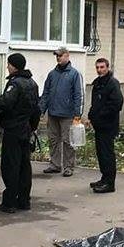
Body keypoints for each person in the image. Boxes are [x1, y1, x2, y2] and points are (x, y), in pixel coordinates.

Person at [0, 53, 40, 213]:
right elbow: (36, 108)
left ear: (13, 66)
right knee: (24, 166)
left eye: (9, 64)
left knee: (10, 165)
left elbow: (7, 102)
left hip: (14, 129)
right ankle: (24, 200)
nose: (7, 67)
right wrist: (32, 126)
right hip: (26, 128)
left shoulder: (15, 83)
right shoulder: (32, 83)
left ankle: (9, 202)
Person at [39, 46, 84, 177]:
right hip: (53, 113)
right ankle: (55, 165)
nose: (58, 58)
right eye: (57, 56)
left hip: (68, 115)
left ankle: (68, 167)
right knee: (53, 140)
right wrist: (41, 110)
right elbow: (46, 93)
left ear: (67, 55)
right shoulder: (52, 74)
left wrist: (77, 114)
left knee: (68, 142)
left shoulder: (75, 74)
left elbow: (79, 95)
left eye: (60, 55)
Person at [86, 57, 124, 193]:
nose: (99, 70)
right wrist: (91, 116)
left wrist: (100, 115)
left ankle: (109, 183)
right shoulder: (97, 83)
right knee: (101, 153)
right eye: (97, 67)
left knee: (107, 154)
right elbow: (95, 103)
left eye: (102, 67)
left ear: (107, 67)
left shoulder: (112, 83)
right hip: (99, 125)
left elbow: (117, 103)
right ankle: (104, 178)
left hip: (108, 124)